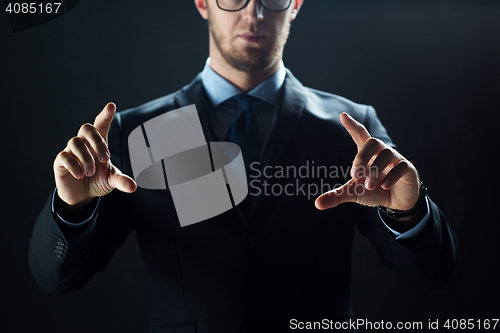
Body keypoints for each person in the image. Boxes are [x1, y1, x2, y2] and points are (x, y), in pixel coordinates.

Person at [29, 0, 458, 332]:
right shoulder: (137, 132)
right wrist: (71, 208)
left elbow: (431, 275)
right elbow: (57, 279)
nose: (253, 13)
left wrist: (410, 211)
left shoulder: (351, 129)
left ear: (295, 4)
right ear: (202, 3)